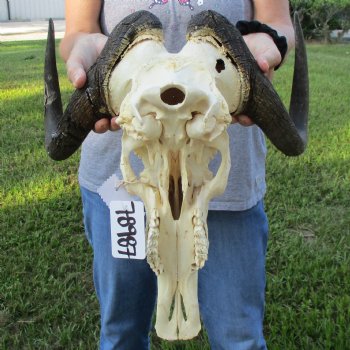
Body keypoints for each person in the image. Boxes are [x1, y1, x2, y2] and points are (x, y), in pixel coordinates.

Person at [60, 1, 295, 349]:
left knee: (239, 338)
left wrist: (267, 41)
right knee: (121, 333)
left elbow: (277, 23)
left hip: (226, 188)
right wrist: (82, 47)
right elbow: (77, 31)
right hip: (120, 185)